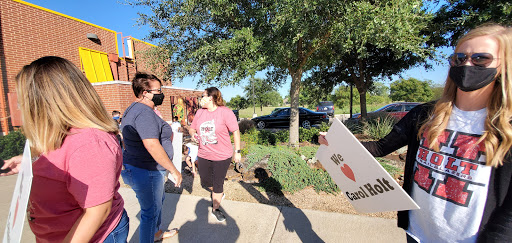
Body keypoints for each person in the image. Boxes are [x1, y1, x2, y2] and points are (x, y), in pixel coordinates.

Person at [320, 24, 512, 242]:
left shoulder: (506, 127)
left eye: (480, 59)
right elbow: (381, 147)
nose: (467, 64)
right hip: (417, 233)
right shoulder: (425, 114)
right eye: (459, 58)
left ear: (504, 66)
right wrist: (336, 142)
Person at [1, 56, 128, 242]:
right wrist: (30, 162)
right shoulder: (60, 132)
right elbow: (61, 159)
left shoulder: (89, 144)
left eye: (24, 99)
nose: (20, 106)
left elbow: (98, 211)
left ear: (45, 101)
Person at [120, 72, 182, 242]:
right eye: (158, 90)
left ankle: (156, 233)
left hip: (143, 168)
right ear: (145, 92)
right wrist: (174, 170)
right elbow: (152, 144)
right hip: (147, 171)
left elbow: (126, 139)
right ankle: (151, 236)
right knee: (150, 213)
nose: (161, 93)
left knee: (156, 204)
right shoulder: (144, 112)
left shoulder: (133, 109)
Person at [189, 87, 241, 222]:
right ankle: (219, 193)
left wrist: (237, 151)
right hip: (204, 153)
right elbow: (191, 128)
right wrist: (193, 134)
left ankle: (215, 209)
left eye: (203, 96)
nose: (201, 98)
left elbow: (235, 131)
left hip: (222, 155)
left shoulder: (225, 112)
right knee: (205, 181)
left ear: (211, 97)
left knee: (217, 183)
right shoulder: (200, 112)